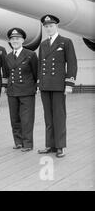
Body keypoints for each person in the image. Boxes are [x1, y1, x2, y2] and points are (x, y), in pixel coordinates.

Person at [37, 15, 77, 158]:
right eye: (46, 26)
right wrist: (39, 83)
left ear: (56, 26)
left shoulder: (65, 42)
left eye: (51, 26)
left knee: (59, 116)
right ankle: (50, 145)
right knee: (48, 116)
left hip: (59, 85)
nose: (49, 28)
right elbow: (40, 65)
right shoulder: (43, 44)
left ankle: (60, 146)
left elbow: (72, 63)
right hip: (45, 85)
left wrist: (69, 83)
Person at [5, 28, 38, 152]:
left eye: (17, 39)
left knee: (27, 118)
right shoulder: (8, 56)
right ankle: (18, 142)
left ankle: (28, 144)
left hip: (27, 91)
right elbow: (8, 73)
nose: (15, 41)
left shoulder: (30, 54)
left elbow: (36, 73)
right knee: (14, 118)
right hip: (12, 91)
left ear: (23, 40)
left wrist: (34, 87)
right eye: (12, 39)